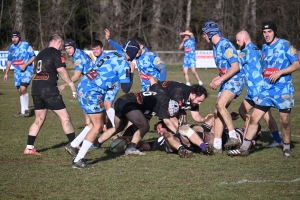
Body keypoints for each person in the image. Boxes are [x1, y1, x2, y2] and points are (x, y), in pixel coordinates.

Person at [227, 21, 300, 157]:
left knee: (285, 121)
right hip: (266, 89)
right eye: (264, 32)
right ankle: (244, 148)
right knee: (254, 118)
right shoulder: (264, 48)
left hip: (283, 89)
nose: (266, 35)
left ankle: (286, 148)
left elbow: (296, 64)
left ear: (274, 32)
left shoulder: (285, 45)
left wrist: (280, 72)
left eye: (269, 32)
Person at [64, 39, 140, 168]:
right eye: (137, 53)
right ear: (133, 52)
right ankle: (78, 160)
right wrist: (132, 71)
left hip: (84, 85)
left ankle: (73, 145)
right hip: (92, 92)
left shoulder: (111, 54)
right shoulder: (124, 64)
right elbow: (126, 88)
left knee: (99, 120)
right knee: (98, 126)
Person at [23, 34, 77, 155]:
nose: (62, 47)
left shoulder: (39, 54)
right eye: (61, 44)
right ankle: (74, 145)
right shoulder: (56, 53)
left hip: (36, 89)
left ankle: (29, 147)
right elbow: (62, 71)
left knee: (39, 119)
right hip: (49, 90)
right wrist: (72, 84)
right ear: (58, 42)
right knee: (65, 118)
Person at [96, 86, 180, 156]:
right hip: (128, 103)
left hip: (120, 101)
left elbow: (139, 122)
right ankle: (131, 148)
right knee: (144, 126)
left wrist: (126, 137)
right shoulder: (165, 103)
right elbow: (167, 121)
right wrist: (177, 135)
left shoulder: (156, 103)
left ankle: (96, 143)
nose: (166, 114)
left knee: (119, 127)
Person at [201, 21, 244, 153]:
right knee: (217, 112)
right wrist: (218, 77)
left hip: (236, 80)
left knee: (220, 105)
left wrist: (220, 80)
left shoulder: (225, 45)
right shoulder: (215, 46)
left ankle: (233, 136)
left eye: (204, 34)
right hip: (227, 80)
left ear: (209, 33)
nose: (203, 37)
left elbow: (235, 67)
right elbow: (225, 68)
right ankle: (218, 146)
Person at [236, 30, 281, 148]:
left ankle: (276, 140)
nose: (237, 43)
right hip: (252, 90)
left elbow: (235, 66)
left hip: (258, 91)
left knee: (267, 117)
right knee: (242, 110)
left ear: (245, 39)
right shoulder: (257, 49)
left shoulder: (244, 52)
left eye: (238, 40)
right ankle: (252, 127)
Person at [58, 39, 93, 126]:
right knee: (89, 103)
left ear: (74, 47)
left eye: (69, 48)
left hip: (92, 80)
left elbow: (76, 76)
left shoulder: (78, 57)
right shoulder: (78, 53)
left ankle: (88, 125)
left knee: (85, 103)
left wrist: (64, 85)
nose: (68, 50)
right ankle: (95, 124)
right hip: (92, 78)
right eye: (66, 49)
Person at [3, 31, 36, 117]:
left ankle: (26, 111)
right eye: (13, 37)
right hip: (17, 72)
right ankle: (23, 111)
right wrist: (6, 73)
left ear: (19, 37)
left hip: (27, 70)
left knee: (23, 88)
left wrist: (25, 65)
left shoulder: (26, 45)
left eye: (16, 37)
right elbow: (9, 60)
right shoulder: (11, 48)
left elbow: (33, 56)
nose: (14, 39)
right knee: (20, 91)